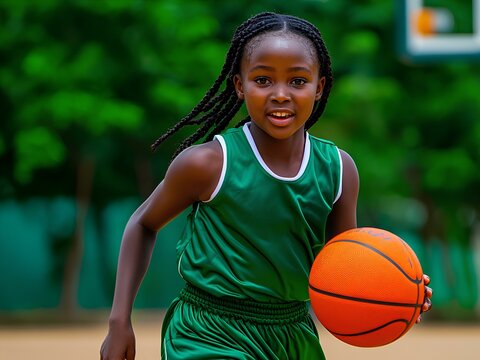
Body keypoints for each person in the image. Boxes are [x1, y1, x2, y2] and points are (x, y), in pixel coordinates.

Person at [100, 11, 432, 360]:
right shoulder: (208, 163)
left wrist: (400, 291)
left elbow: (343, 267)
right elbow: (143, 223)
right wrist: (119, 320)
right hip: (209, 330)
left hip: (293, 335)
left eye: (298, 81)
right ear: (239, 85)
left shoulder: (338, 171)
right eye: (262, 80)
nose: (280, 95)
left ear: (320, 87)